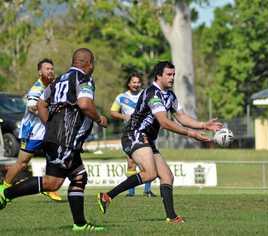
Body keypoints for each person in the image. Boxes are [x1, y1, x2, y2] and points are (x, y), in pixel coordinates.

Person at [97, 61, 223, 224]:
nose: (172, 78)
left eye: (173, 75)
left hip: (147, 140)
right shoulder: (153, 94)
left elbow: (181, 117)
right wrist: (191, 134)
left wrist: (203, 125)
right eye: (168, 74)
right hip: (135, 135)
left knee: (167, 176)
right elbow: (164, 122)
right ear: (158, 76)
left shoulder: (170, 95)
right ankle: (107, 196)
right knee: (150, 173)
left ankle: (171, 217)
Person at [0, 48, 108, 232]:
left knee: (79, 176)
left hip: (58, 137)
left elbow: (42, 103)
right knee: (52, 183)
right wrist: (99, 119)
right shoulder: (83, 79)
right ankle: (6, 194)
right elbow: (84, 103)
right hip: (65, 139)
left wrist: (49, 125)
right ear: (88, 63)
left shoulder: (58, 80)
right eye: (93, 64)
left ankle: (80, 224)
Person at [1, 58, 61, 201]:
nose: (50, 71)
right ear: (39, 72)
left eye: (52, 68)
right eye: (47, 69)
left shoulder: (53, 87)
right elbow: (32, 106)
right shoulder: (36, 89)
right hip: (33, 132)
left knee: (55, 158)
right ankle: (3, 187)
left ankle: (49, 187)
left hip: (48, 132)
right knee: (22, 163)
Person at [110, 73, 156, 197]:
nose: (136, 84)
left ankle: (147, 190)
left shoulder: (145, 95)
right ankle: (131, 192)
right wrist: (123, 116)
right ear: (129, 83)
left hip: (146, 131)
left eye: (138, 82)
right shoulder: (121, 97)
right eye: (133, 82)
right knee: (131, 162)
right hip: (130, 133)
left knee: (148, 161)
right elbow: (113, 111)